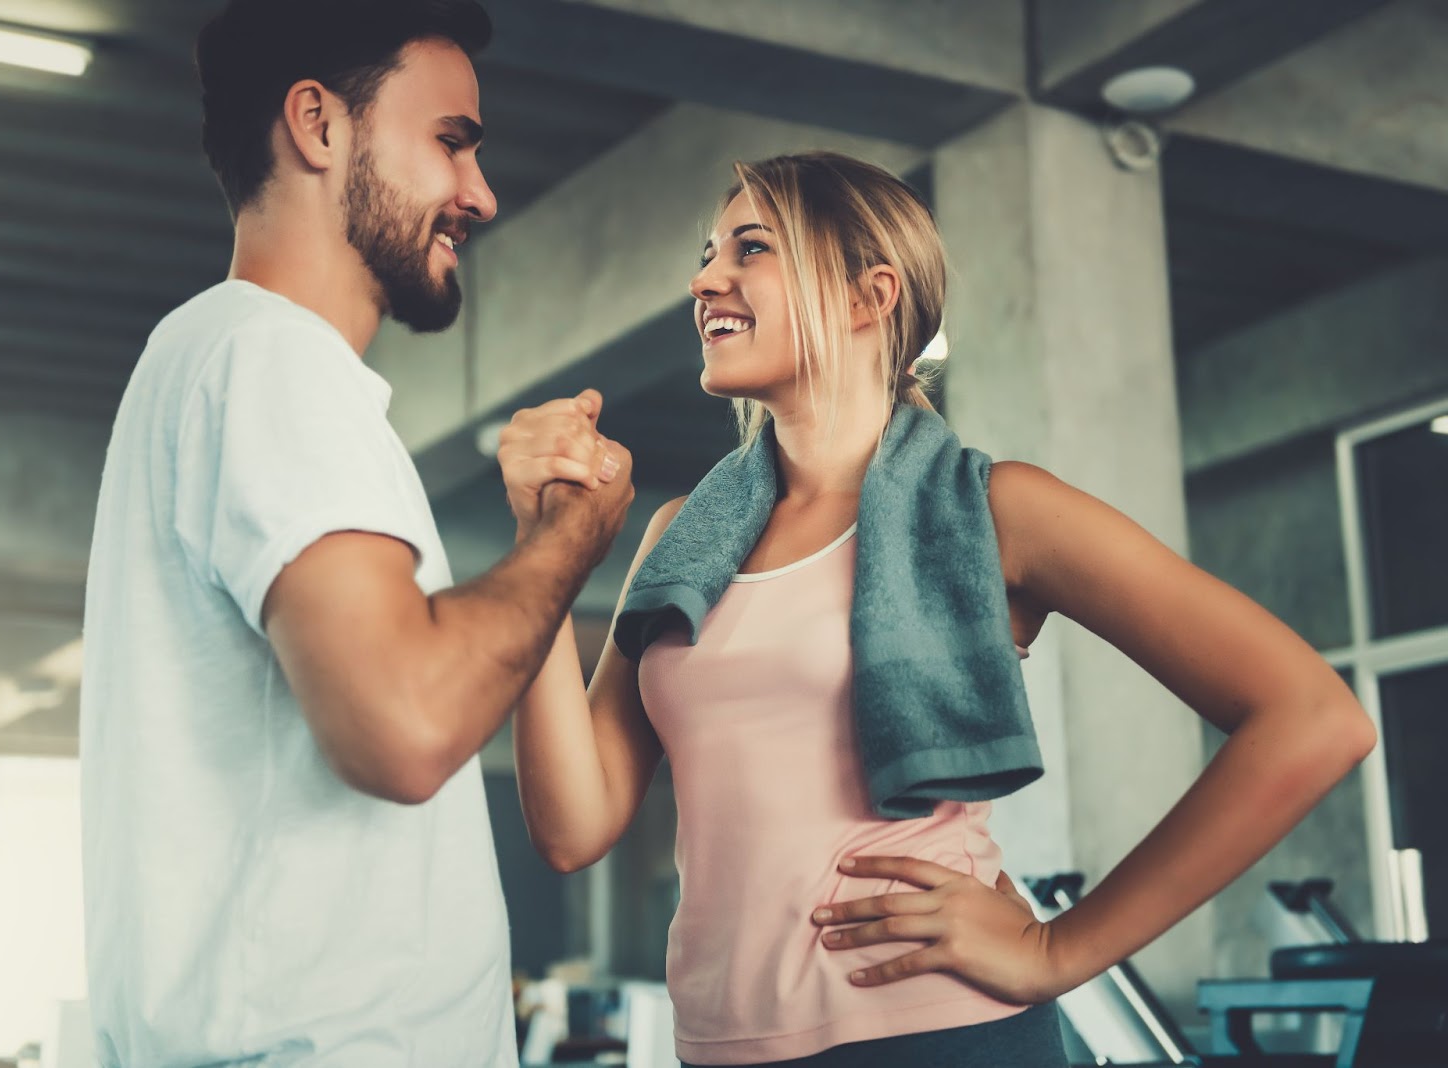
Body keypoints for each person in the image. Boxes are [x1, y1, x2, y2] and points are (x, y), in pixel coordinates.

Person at [499, 151, 1376, 1067]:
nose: (704, 279)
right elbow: (573, 826)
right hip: (721, 1044)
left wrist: (1058, 950)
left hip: (936, 1031)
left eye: (749, 249)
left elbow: (1312, 718)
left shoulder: (996, 510)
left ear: (866, 296)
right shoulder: (681, 537)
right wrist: (544, 552)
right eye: (709, 251)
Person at [79, 1, 633, 1064]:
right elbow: (408, 721)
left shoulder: (218, 362)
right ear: (319, 127)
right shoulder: (267, 360)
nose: (481, 193)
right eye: (450, 142)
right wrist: (570, 539)